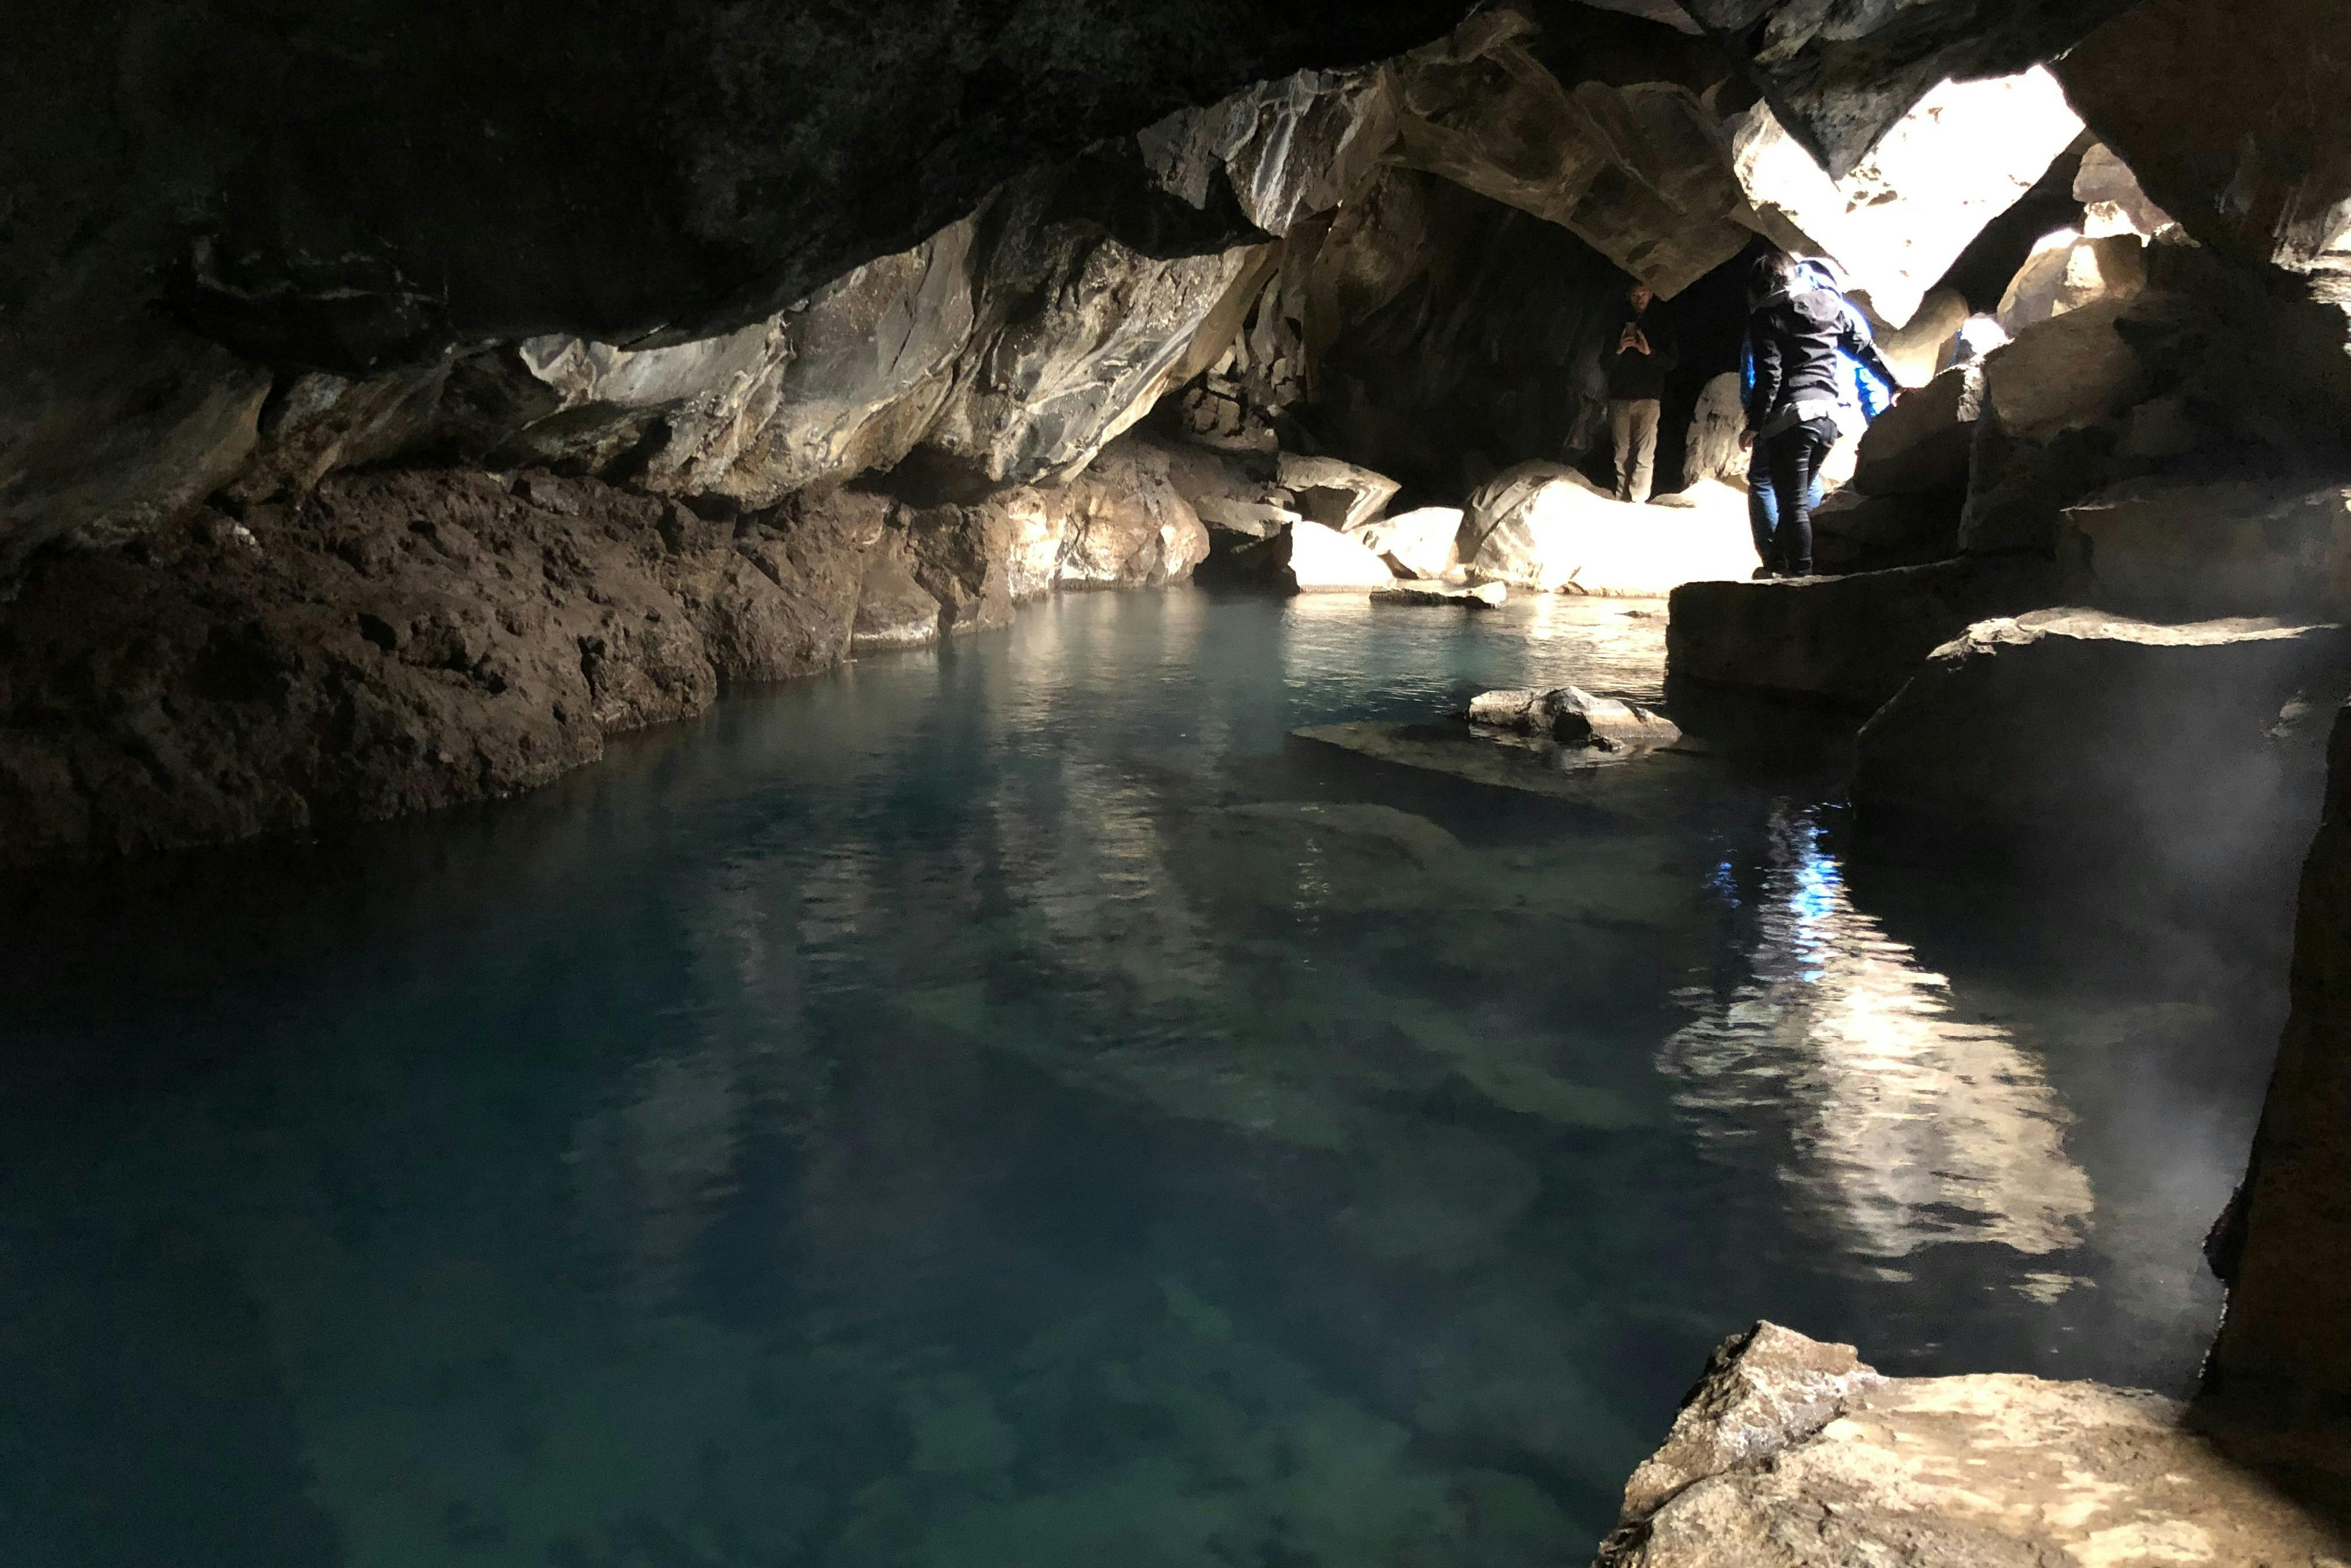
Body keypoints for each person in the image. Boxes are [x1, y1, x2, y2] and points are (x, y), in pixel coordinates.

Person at [1741, 252, 1898, 578]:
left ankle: (1799, 576)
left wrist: (1754, 425)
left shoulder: (1767, 317)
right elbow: (1865, 349)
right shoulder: (1831, 305)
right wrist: (1894, 383)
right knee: (1798, 494)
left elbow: (1768, 377)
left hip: (1791, 418)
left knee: (1791, 503)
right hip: (1829, 419)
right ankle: (1782, 566)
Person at [1605, 280, 1676, 503]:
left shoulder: (1663, 323)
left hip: (1648, 396)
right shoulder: (1617, 322)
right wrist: (1619, 349)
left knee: (1644, 453)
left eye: (1643, 293)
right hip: (1620, 396)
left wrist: (1649, 352)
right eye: (1635, 294)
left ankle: (1638, 500)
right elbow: (1604, 363)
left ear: (1652, 294)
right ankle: (1621, 497)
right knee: (1621, 453)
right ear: (1629, 296)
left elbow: (1672, 362)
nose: (1639, 298)